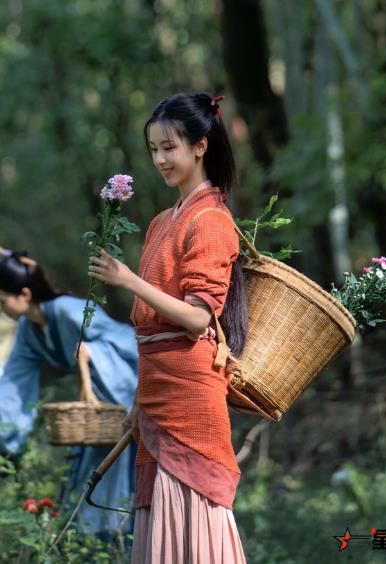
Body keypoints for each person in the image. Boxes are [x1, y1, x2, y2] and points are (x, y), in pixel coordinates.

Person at [88, 92, 249, 562]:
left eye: (169, 147)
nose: (160, 159)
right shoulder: (162, 221)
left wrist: (128, 280)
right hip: (157, 387)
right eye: (153, 149)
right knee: (159, 511)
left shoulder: (213, 220)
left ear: (200, 146)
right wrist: (140, 401)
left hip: (191, 391)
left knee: (195, 506)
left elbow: (199, 316)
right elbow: (152, 333)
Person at [0, 249, 138, 536]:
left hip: (119, 397)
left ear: (24, 294)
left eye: (3, 301)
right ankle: (89, 540)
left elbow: (124, 339)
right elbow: (15, 378)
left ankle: (118, 538)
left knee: (117, 474)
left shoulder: (66, 309)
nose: (2, 309)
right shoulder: (28, 328)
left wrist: (94, 353)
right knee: (88, 474)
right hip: (91, 416)